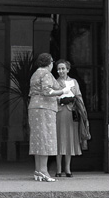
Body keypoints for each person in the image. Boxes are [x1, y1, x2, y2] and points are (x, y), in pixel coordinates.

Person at [28, 52, 65, 182]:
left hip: (34, 107)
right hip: (45, 108)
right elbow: (47, 91)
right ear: (49, 63)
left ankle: (38, 171)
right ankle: (44, 171)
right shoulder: (46, 73)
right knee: (46, 138)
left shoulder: (35, 73)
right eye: (52, 62)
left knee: (38, 138)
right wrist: (63, 92)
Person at [54, 59, 90, 178]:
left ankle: (67, 168)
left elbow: (79, 96)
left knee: (69, 139)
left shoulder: (74, 82)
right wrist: (60, 100)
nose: (61, 71)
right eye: (59, 69)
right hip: (59, 113)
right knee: (59, 139)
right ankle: (58, 169)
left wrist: (74, 100)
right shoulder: (55, 82)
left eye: (63, 68)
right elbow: (51, 96)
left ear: (68, 70)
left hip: (71, 113)